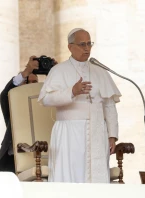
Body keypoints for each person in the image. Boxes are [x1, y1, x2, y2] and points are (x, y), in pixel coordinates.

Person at [38, 28, 121, 183]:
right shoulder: (58, 70)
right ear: (70, 47)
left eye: (89, 44)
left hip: (97, 131)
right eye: (82, 44)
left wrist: (112, 135)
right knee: (70, 177)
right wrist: (72, 91)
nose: (87, 48)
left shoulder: (100, 71)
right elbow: (46, 99)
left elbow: (109, 105)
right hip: (69, 133)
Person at [0, 56, 39, 173]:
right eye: (27, 82)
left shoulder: (43, 102)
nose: (30, 86)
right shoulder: (12, 103)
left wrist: (55, 72)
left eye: (34, 83)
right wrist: (26, 72)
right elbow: (5, 95)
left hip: (41, 155)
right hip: (14, 159)